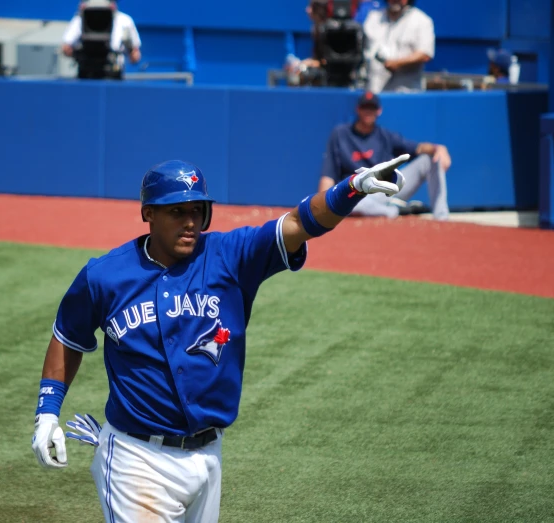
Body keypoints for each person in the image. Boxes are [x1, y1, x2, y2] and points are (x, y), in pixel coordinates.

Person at [31, 156, 410, 522]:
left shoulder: (230, 256)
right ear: (148, 213)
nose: (190, 222)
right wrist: (48, 413)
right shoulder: (105, 276)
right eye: (177, 211)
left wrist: (352, 188)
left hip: (209, 456)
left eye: (197, 211)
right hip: (136, 459)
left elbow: (299, 222)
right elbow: (68, 336)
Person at [318, 91, 451, 220]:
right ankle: (396, 211)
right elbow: (328, 175)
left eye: (372, 108)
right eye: (365, 107)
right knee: (350, 203)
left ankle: (441, 217)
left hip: (386, 190)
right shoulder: (341, 134)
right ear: (358, 109)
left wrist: (438, 148)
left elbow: (419, 148)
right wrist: (323, 209)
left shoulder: (384, 136)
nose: (368, 112)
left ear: (379, 111)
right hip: (358, 193)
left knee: (430, 159)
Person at [363, 0, 435, 93]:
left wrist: (397, 63)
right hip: (374, 92)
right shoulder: (374, 18)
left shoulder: (422, 20)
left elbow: (425, 54)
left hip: (405, 93)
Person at [61, 0, 141, 80]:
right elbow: (66, 48)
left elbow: (135, 55)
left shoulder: (125, 21)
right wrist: (77, 53)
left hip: (114, 73)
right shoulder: (80, 19)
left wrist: (130, 50)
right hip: (86, 72)